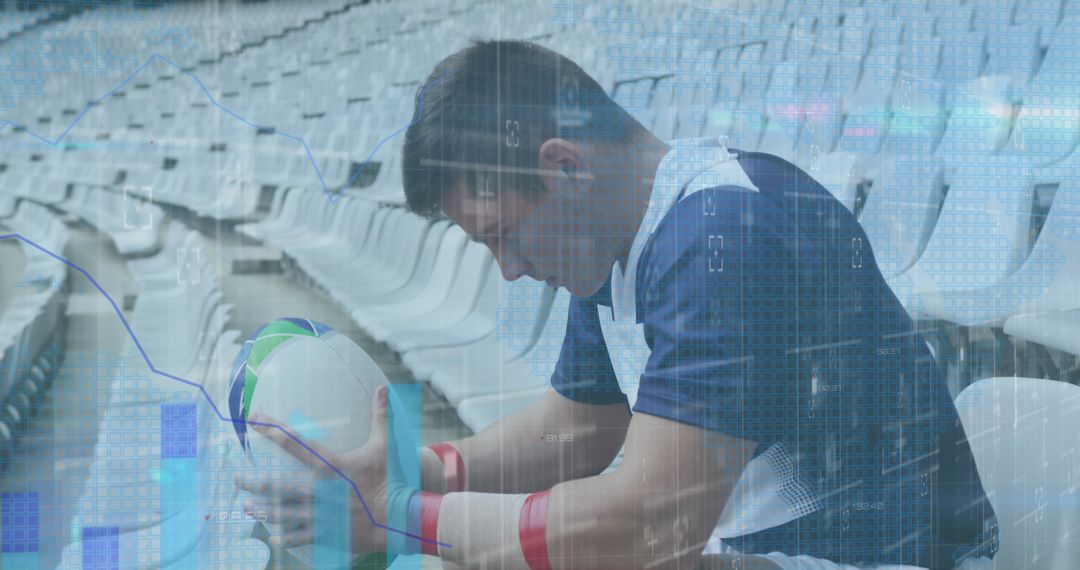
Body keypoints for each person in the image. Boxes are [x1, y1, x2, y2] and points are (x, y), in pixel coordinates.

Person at [237, 40, 999, 570]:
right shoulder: (623, 242)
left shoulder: (723, 237)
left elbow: (647, 532)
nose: (509, 271)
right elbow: (576, 426)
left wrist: (393, 513)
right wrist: (418, 471)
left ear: (564, 167)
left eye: (504, 235)